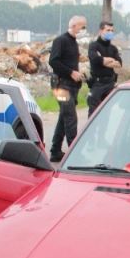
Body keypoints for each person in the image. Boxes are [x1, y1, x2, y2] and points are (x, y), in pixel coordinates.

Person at [49, 15, 87, 162]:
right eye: (82, 27)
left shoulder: (73, 42)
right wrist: (71, 72)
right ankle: (74, 153)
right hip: (61, 85)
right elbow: (53, 61)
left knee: (64, 117)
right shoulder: (61, 40)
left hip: (71, 85)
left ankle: (55, 150)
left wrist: (77, 74)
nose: (84, 30)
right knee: (71, 118)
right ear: (74, 26)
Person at [87, 21, 122, 117]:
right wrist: (109, 60)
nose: (110, 32)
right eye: (108, 30)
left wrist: (103, 60)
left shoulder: (113, 48)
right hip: (97, 84)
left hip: (110, 83)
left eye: (112, 30)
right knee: (93, 113)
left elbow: (119, 64)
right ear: (101, 31)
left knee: (107, 113)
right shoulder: (94, 46)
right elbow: (94, 59)